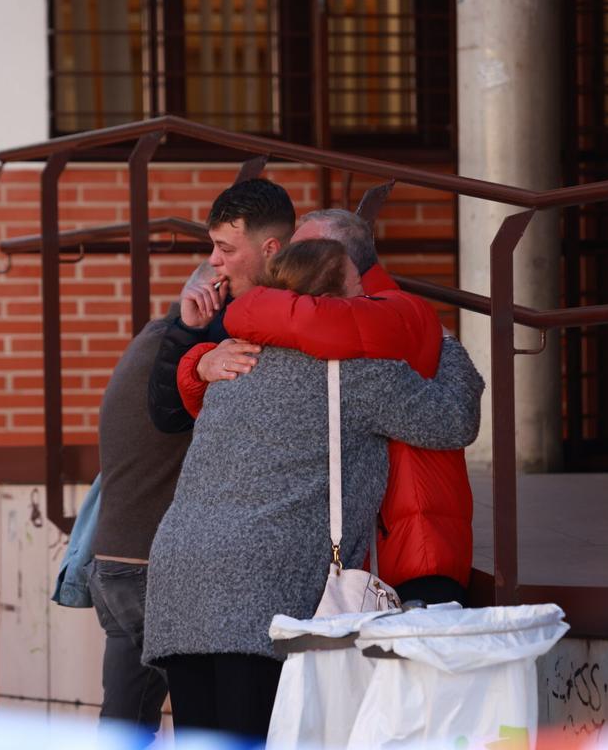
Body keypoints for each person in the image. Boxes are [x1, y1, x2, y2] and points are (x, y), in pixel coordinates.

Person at [143, 239, 485, 741]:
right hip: (263, 589)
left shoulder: (235, 358)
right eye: (358, 289)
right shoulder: (360, 372)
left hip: (180, 578)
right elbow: (453, 420)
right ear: (334, 303)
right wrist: (446, 345)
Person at [178, 209, 475, 606]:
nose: (287, 263)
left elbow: (297, 324)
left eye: (305, 251)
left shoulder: (386, 312)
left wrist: (218, 336)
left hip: (410, 552)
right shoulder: (347, 320)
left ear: (341, 263)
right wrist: (198, 361)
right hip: (367, 548)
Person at [83, 266, 213, 737]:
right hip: (149, 566)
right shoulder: (191, 359)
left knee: (125, 720)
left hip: (111, 563)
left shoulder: (149, 343)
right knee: (206, 711)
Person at [147, 177, 296, 433]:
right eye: (214, 245)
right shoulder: (218, 306)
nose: (214, 260)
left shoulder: (312, 304)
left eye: (225, 249)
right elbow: (168, 419)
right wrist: (188, 330)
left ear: (270, 249)